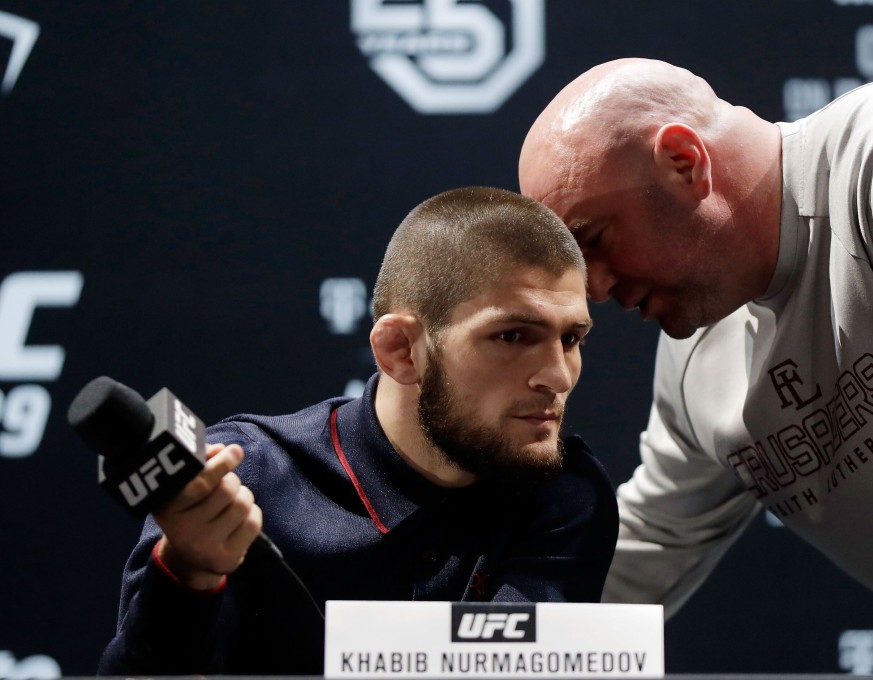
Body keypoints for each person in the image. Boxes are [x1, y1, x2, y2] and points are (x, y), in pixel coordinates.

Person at [518, 58, 873, 675]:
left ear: (684, 161)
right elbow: (651, 547)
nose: (593, 290)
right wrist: (453, 650)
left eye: (593, 238)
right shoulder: (696, 356)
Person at [97, 186, 619, 675]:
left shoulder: (566, 494)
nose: (558, 377)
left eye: (571, 339)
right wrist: (188, 573)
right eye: (512, 336)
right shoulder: (242, 478)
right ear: (400, 350)